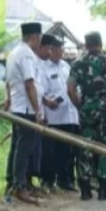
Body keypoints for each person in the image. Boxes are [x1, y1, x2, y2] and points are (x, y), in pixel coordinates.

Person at [68, 31, 106, 201]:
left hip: (87, 112)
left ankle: (85, 190)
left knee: (85, 147)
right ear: (101, 44)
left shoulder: (78, 64)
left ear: (86, 45)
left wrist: (80, 105)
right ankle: (104, 189)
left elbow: (70, 90)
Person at [4, 22, 46, 205]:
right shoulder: (27, 55)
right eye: (40, 38)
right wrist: (38, 110)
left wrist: (8, 100)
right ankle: (19, 186)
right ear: (35, 37)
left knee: (16, 146)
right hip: (26, 109)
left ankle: (12, 183)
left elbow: (8, 82)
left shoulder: (13, 54)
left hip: (17, 108)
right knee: (23, 149)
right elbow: (30, 84)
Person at [39, 33, 79, 191]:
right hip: (53, 116)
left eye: (61, 48)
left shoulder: (66, 67)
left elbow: (74, 87)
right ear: (50, 49)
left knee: (68, 151)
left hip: (69, 115)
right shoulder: (43, 68)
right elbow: (40, 92)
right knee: (50, 152)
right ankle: (48, 180)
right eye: (56, 48)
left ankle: (66, 180)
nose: (59, 52)